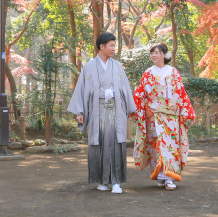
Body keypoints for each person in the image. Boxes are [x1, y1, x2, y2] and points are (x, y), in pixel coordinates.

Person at [67, 32, 135, 194]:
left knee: (115, 143)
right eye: (111, 45)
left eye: (114, 45)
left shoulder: (117, 66)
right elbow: (81, 89)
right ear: (101, 47)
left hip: (115, 109)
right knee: (98, 144)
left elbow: (125, 87)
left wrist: (130, 108)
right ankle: (101, 180)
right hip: (96, 110)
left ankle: (116, 181)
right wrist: (80, 111)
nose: (114, 48)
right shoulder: (89, 66)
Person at [133, 43, 195, 190]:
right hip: (153, 115)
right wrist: (139, 110)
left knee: (170, 146)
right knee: (156, 146)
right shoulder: (148, 73)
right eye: (152, 53)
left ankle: (169, 178)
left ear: (164, 55)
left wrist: (187, 112)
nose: (154, 55)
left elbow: (181, 94)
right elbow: (140, 93)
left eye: (157, 52)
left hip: (171, 116)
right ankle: (160, 177)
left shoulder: (173, 72)